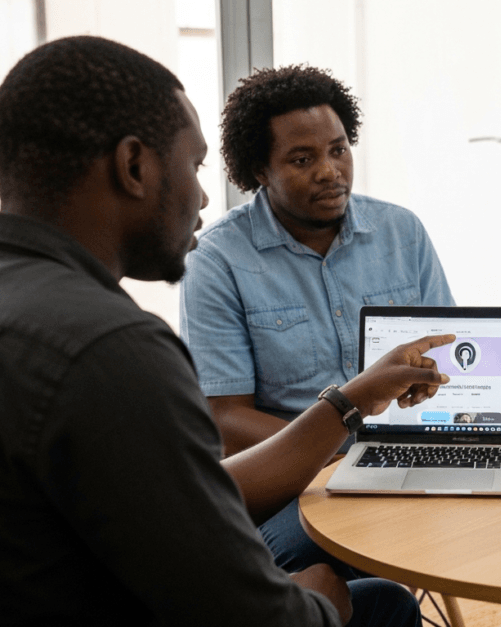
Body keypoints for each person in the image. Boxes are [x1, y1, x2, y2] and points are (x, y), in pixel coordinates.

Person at [0, 35, 454, 627]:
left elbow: (179, 501)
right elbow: (238, 603)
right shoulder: (111, 350)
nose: (201, 196)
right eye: (192, 167)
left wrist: (349, 405)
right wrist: (319, 600)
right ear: (134, 165)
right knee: (370, 602)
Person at [179, 65, 455, 573]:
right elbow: (225, 421)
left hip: (408, 458)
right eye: (302, 159)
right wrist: (339, 448)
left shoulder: (402, 232)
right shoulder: (218, 260)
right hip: (298, 478)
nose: (330, 171)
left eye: (339, 149)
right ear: (259, 170)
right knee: (315, 563)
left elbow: (445, 359)